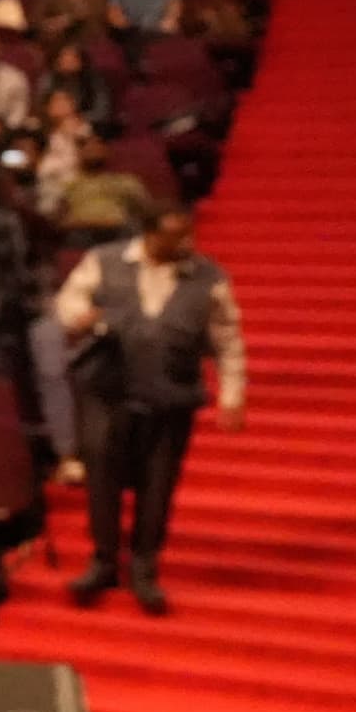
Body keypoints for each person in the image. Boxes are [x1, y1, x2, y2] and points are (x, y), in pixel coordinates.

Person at [54, 204, 245, 614]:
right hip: (108, 391)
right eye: (177, 238)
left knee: (158, 485)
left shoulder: (209, 278)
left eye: (189, 236)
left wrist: (232, 395)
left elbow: (228, 339)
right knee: (101, 476)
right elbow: (68, 302)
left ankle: (144, 566)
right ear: (150, 236)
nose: (188, 245)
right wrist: (79, 318)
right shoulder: (104, 261)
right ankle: (103, 560)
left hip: (170, 397)